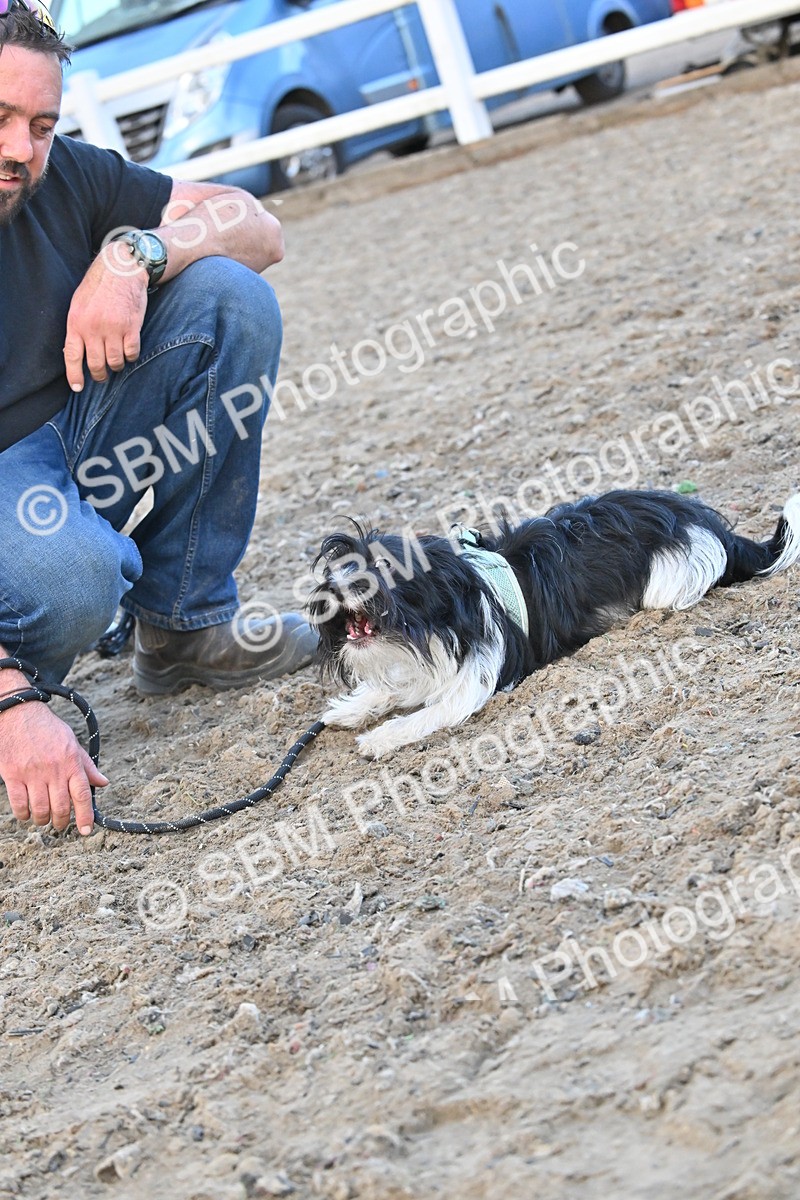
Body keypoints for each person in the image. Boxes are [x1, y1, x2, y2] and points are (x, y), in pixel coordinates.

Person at [0, 1, 317, 837]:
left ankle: (185, 627)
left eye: (40, 124)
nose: (18, 151)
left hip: (77, 435)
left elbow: (258, 224)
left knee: (228, 297)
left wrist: (135, 253)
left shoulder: (62, 173)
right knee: (72, 574)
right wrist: (10, 707)